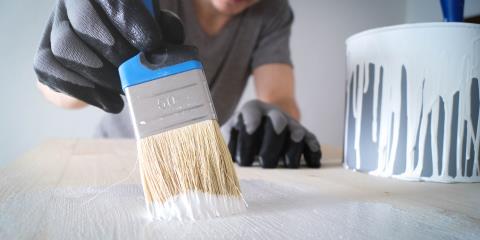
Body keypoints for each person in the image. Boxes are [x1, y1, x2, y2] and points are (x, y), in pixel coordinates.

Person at [34, 0, 321, 168]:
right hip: (112, 159)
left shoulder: (272, 12)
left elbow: (280, 98)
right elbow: (63, 99)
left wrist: (274, 119)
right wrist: (62, 75)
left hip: (193, 163)